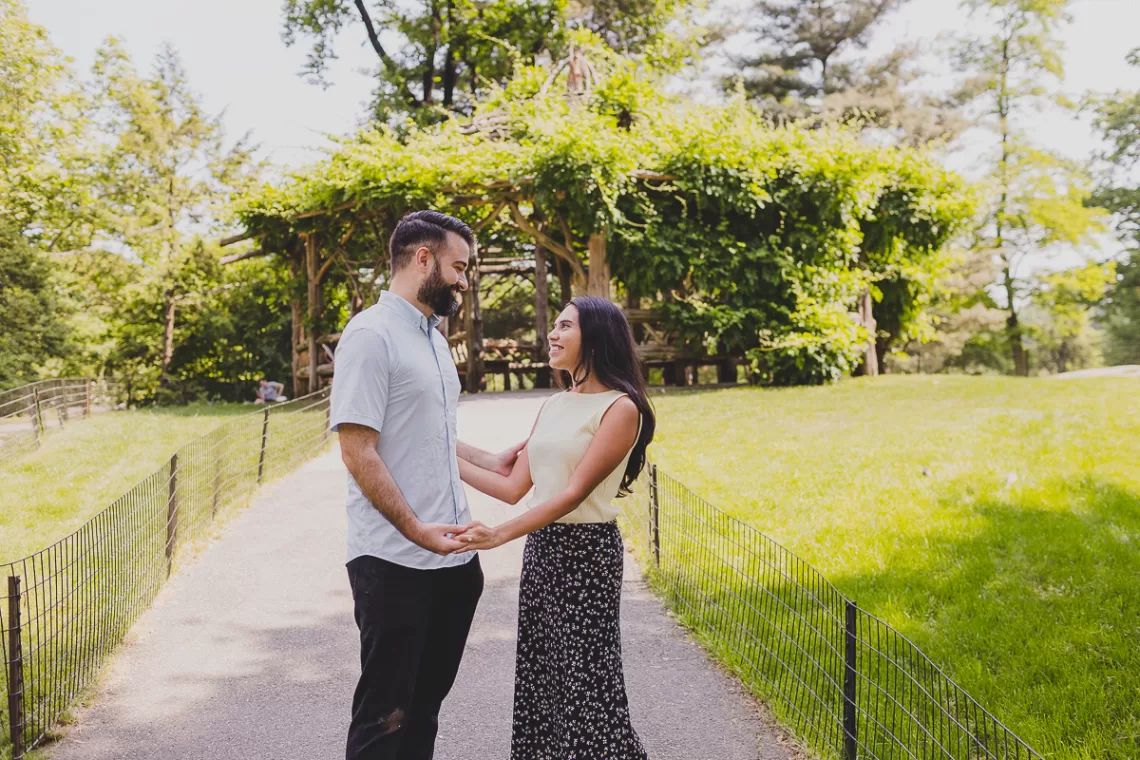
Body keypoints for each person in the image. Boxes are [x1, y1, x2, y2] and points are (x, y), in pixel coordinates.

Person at [329, 210, 523, 760]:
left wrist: (491, 458)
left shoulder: (435, 338)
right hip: (394, 561)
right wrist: (416, 531)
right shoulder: (370, 336)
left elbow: (429, 433)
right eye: (458, 267)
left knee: (424, 713)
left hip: (454, 563)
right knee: (385, 719)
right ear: (422, 259)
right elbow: (356, 449)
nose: (465, 280)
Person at [454, 295, 657, 760]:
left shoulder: (621, 409)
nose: (553, 333)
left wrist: (500, 535)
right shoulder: (553, 404)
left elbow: (572, 494)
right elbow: (511, 485)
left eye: (565, 326)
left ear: (595, 338)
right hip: (544, 550)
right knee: (543, 678)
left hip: (587, 554)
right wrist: (441, 452)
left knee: (587, 682)